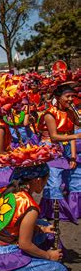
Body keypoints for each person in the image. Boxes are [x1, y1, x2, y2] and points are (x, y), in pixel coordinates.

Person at [0, 148, 68, 271]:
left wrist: (42, 229)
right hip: (3, 258)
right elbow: (25, 245)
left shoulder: (5, 191)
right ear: (37, 180)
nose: (45, 185)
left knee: (44, 226)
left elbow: (11, 222)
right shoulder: (30, 207)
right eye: (46, 180)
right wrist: (49, 256)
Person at [37, 82, 81, 221]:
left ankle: (74, 210)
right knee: (54, 181)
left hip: (66, 146)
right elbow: (54, 136)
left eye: (72, 97)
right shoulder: (50, 113)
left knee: (75, 178)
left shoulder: (69, 112)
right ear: (58, 97)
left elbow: (71, 132)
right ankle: (52, 213)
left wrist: (73, 156)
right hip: (51, 148)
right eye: (67, 96)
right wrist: (76, 136)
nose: (70, 99)